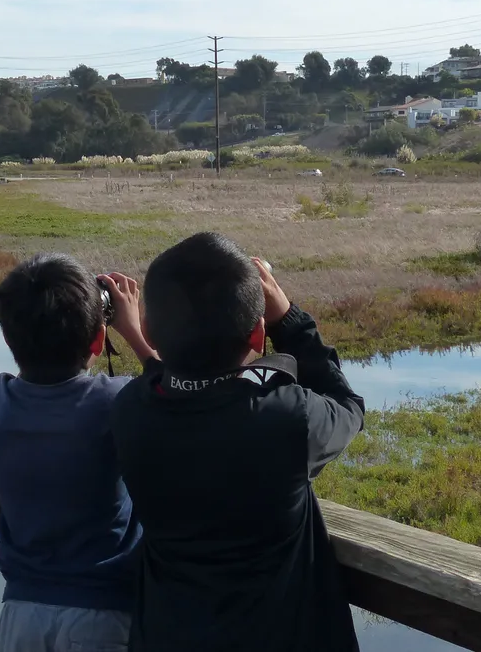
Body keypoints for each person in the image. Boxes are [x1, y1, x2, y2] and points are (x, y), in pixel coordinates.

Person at [111, 232, 366, 652]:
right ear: (255, 337)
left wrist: (136, 336)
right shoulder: (287, 417)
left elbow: (165, 383)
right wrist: (289, 319)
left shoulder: (129, 412)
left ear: (152, 331)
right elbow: (346, 406)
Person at [0, 253, 159, 652]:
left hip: (21, 612)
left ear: (9, 338)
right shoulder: (116, 401)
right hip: (102, 613)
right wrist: (133, 331)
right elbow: (178, 398)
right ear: (99, 339)